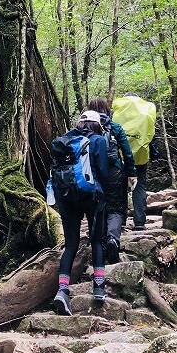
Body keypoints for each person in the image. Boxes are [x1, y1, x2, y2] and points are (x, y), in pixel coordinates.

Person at [52, 110, 109, 316]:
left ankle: (62, 290)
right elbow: (103, 171)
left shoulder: (65, 141)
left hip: (67, 198)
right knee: (96, 241)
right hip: (93, 197)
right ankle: (99, 288)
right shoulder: (98, 141)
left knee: (71, 245)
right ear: (96, 124)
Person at [87, 97, 137, 256]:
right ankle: (113, 238)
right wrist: (131, 173)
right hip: (114, 171)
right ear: (107, 110)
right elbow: (127, 153)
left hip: (93, 172)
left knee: (99, 206)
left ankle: (100, 243)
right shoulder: (114, 127)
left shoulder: (85, 128)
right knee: (115, 207)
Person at [112, 94, 157, 230]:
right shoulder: (146, 111)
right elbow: (151, 135)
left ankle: (121, 220)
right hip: (140, 156)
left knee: (121, 187)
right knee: (138, 186)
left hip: (120, 156)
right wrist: (154, 153)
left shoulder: (118, 110)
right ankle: (139, 222)